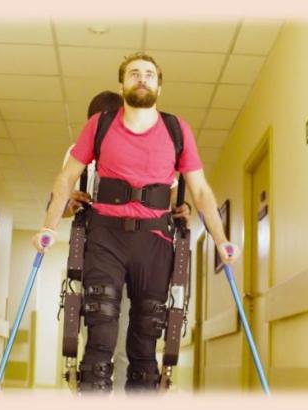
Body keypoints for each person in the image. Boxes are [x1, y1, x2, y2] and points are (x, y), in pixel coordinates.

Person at [34, 52, 236, 394]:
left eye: (149, 74)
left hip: (152, 242)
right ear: (121, 84)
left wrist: (216, 235)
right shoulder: (94, 133)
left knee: (142, 341)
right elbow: (66, 180)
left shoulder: (174, 131)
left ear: (159, 84)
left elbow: (192, 190)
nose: (141, 79)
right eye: (133, 74)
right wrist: (50, 224)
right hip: (105, 239)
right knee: (101, 336)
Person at [60, 91, 190, 220]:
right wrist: (68, 204)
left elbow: (172, 187)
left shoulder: (141, 149)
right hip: (94, 231)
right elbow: (59, 206)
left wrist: (180, 207)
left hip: (137, 230)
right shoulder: (77, 151)